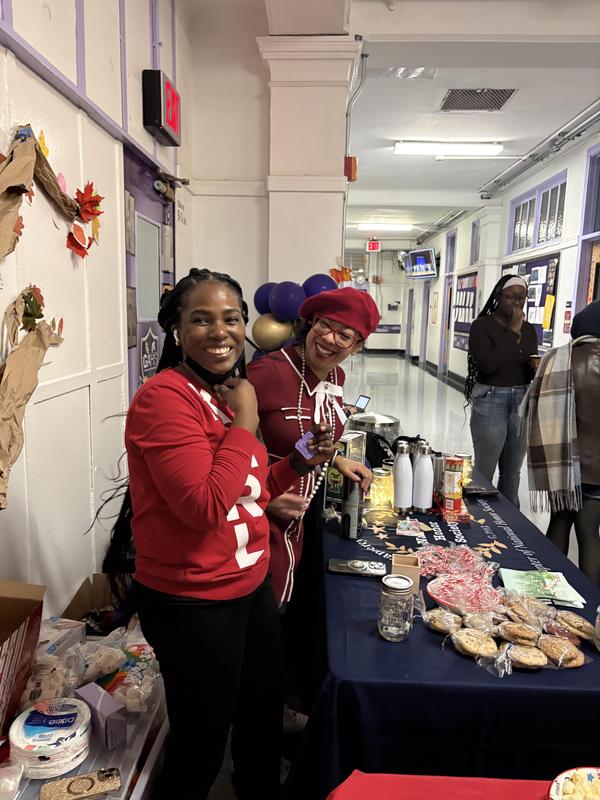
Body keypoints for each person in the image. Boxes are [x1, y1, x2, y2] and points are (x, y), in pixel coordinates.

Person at [115, 268, 335, 800]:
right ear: (177, 332)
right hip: (194, 601)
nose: (221, 331)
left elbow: (246, 489)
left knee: (260, 717)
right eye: (201, 319)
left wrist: (299, 460)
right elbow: (203, 507)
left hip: (248, 585)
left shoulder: (225, 392)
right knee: (201, 744)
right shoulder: (164, 399)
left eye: (231, 318)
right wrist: (246, 422)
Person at [247, 287, 380, 713]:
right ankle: (254, 726)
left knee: (287, 618)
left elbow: (313, 435)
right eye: (326, 326)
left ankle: (279, 708)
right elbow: (220, 452)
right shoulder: (267, 373)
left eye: (346, 336)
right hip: (253, 524)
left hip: (295, 525)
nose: (331, 340)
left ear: (357, 347)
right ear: (310, 323)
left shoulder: (335, 379)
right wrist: (265, 501)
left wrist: (338, 459)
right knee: (258, 631)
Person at [521, 299, 600, 586]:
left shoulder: (557, 359)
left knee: (559, 522)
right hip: (596, 469)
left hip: (561, 462)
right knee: (590, 535)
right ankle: (593, 609)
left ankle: (549, 594)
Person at [465, 274, 538, 506]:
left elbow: (524, 367)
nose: (516, 303)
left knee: (512, 471)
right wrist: (512, 331)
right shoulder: (481, 326)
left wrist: (536, 369)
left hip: (520, 400)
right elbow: (488, 366)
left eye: (521, 298)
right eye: (510, 297)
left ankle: (510, 522)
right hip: (490, 399)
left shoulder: (530, 330)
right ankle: (481, 517)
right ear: (498, 297)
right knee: (485, 469)